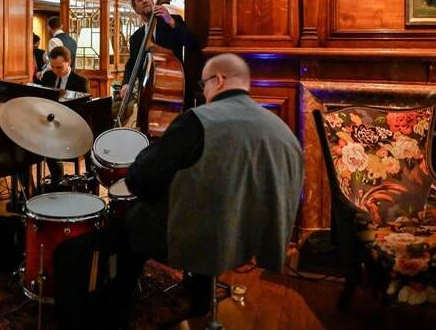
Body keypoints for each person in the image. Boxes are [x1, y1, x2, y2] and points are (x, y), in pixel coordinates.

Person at [113, 53, 304, 325]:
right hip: (251, 238)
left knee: (129, 222)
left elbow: (141, 180)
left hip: (204, 236)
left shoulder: (197, 121)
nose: (204, 93)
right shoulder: (281, 128)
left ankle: (117, 309)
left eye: (204, 85)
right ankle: (200, 296)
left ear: (219, 80)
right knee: (208, 203)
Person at [119, 0, 197, 104]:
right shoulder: (136, 37)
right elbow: (132, 64)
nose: (145, 1)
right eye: (140, 0)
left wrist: (170, 21)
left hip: (175, 89)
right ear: (136, 9)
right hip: (148, 93)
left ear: (153, 2)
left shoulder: (173, 21)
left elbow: (192, 44)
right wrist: (126, 83)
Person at [40, 46, 90, 184]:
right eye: (53, 67)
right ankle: (57, 178)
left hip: (71, 124)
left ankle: (86, 179)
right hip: (51, 123)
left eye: (60, 67)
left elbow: (84, 110)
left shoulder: (80, 81)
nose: (56, 71)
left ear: (69, 62)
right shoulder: (48, 76)